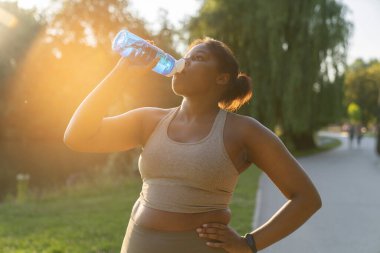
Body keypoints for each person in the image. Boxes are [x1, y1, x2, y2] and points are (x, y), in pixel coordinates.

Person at [64, 37, 322, 253]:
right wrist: (120, 74)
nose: (184, 62)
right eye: (185, 56)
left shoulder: (244, 131)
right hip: (138, 242)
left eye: (197, 58)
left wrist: (250, 244)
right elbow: (77, 136)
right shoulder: (149, 120)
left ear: (222, 79)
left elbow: (306, 198)